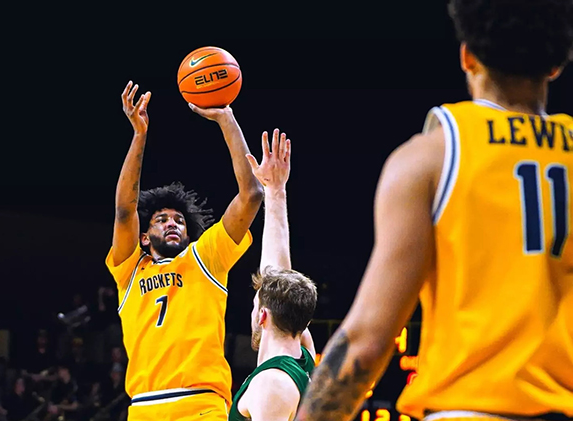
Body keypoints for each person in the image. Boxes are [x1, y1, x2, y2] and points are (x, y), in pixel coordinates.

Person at [295, 1, 573, 420]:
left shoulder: (429, 157)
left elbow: (368, 340)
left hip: (467, 409)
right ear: (557, 64)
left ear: (467, 55)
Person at [105, 81, 264, 420]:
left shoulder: (206, 256)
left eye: (178, 219)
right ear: (144, 237)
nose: (172, 223)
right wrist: (139, 135)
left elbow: (251, 195)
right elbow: (124, 211)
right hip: (144, 408)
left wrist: (227, 119)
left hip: (201, 405)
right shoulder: (130, 270)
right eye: (161, 219)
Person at [228, 130, 318, 421]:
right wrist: (275, 191)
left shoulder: (272, 384)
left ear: (263, 317)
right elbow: (276, 272)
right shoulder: (302, 353)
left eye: (256, 303)